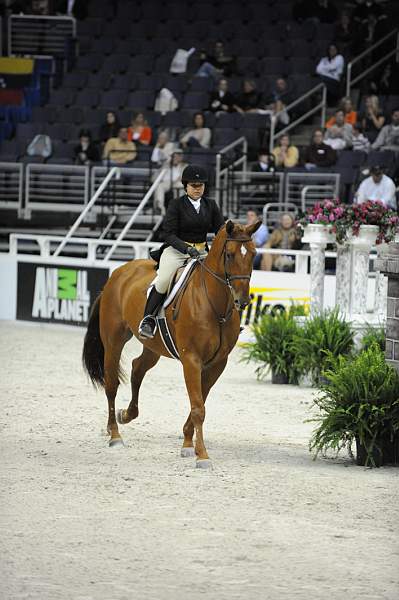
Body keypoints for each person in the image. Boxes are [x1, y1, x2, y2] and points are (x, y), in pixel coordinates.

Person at [138, 164, 225, 339]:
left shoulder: (211, 205)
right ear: (185, 186)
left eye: (200, 185)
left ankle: (225, 319)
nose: (197, 189)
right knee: (163, 279)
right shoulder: (176, 204)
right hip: (177, 250)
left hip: (201, 251)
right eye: (193, 186)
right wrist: (186, 248)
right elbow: (168, 234)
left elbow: (221, 230)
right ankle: (148, 319)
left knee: (221, 277)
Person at [153, 150, 187, 214]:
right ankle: (160, 208)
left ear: (181, 158)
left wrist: (181, 178)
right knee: (159, 186)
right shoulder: (166, 165)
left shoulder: (184, 166)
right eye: (174, 157)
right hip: (167, 182)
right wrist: (167, 164)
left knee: (180, 185)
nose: (176, 158)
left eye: (178, 157)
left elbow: (187, 176)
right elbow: (154, 177)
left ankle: (177, 209)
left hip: (177, 182)